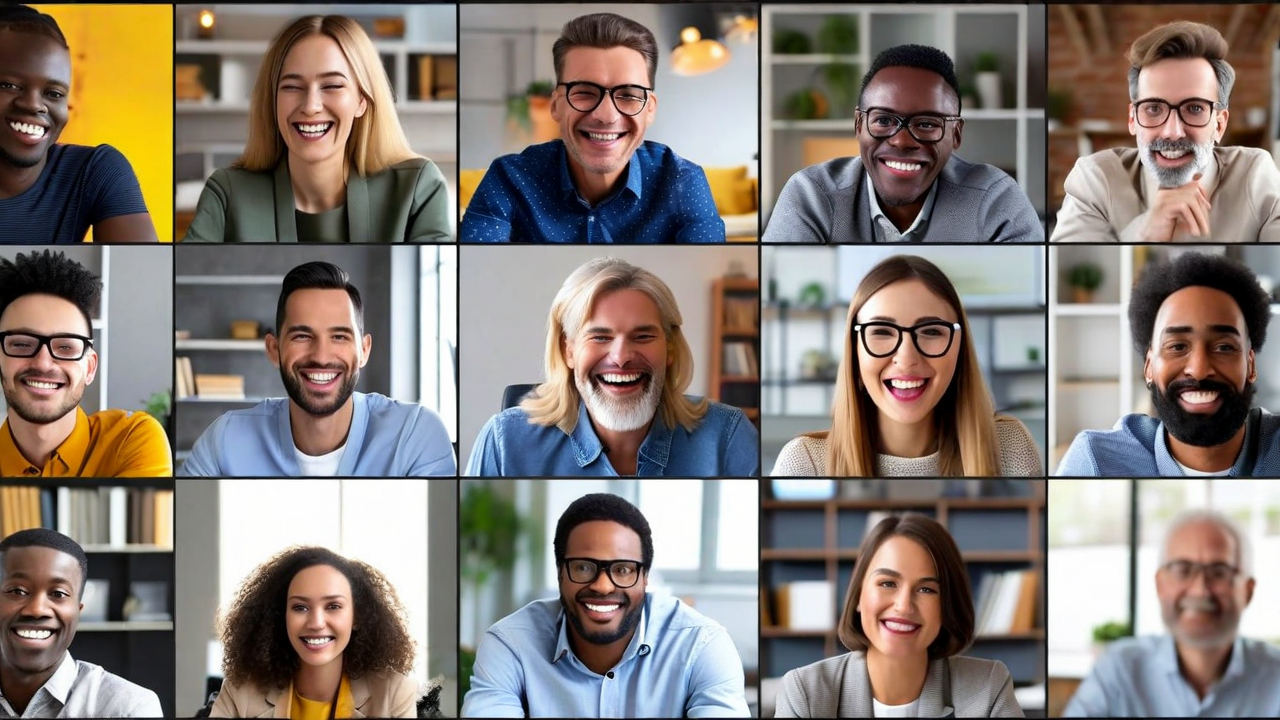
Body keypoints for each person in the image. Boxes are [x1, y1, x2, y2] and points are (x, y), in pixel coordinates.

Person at [462, 493, 749, 718]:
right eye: (584, 567)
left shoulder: (702, 645)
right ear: (560, 572)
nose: (602, 586)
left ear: (645, 577)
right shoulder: (510, 644)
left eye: (623, 569)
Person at [466, 257, 758, 476]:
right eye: (600, 337)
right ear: (568, 351)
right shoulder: (503, 444)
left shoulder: (728, 437)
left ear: (670, 347)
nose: (620, 357)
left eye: (643, 336)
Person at [460, 13, 725, 243]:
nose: (606, 115)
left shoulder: (683, 181)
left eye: (628, 95)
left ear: (650, 109)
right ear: (556, 105)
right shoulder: (509, 178)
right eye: (584, 92)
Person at [183, 15, 451, 242]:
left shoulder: (418, 189)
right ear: (272, 100)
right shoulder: (227, 193)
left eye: (332, 85)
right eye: (292, 86)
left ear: (362, 100)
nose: (311, 106)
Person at [772, 255, 1041, 476]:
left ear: (959, 347)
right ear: (854, 351)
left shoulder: (1009, 447)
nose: (907, 357)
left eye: (931, 332)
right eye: (881, 331)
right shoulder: (804, 464)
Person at [179, 261, 455, 476]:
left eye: (339, 336)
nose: (321, 356)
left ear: (364, 350)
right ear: (274, 349)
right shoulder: (225, 439)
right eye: (302, 336)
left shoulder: (416, 434)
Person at [764, 45, 1042, 243]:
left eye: (926, 124)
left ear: (956, 134)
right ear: (859, 125)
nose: (901, 140)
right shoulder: (812, 195)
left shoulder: (994, 200)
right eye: (884, 120)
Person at [1052, 21, 1280, 242]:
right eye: (1153, 108)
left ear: (1219, 124)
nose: (1172, 131)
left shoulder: (1255, 175)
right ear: (1133, 119)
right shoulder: (1095, 179)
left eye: (1194, 108)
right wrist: (1145, 232)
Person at [775, 514, 1022, 717]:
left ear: (947, 605)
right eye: (887, 583)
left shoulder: (987, 688)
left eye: (926, 589)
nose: (904, 606)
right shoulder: (805, 692)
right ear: (859, 595)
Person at [1057, 252, 1280, 476]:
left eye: (1224, 347)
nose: (1199, 370)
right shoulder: (1096, 462)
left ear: (1250, 365)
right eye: (1177, 347)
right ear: (1149, 367)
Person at [1064, 510, 1280, 716]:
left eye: (1219, 572)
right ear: (1160, 585)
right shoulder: (1118, 670)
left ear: (1248, 591)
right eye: (1182, 570)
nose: (1200, 590)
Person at [0, 250, 171, 477]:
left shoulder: (130, 439)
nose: (43, 363)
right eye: (22, 344)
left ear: (90, 367)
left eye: (65, 347)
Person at [0, 5, 157, 243]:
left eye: (53, 93)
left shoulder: (94, 171)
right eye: (9, 85)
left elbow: (142, 274)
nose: (34, 105)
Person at [210, 546, 425, 718]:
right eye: (300, 607)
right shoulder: (239, 693)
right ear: (280, 615)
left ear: (357, 617)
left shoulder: (395, 694)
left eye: (333, 606)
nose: (316, 623)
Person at [0, 528, 162, 717]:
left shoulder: (129, 708)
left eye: (58, 594)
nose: (37, 610)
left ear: (78, 611)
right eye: (17, 591)